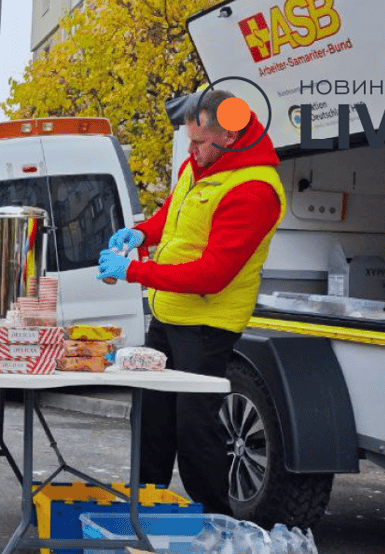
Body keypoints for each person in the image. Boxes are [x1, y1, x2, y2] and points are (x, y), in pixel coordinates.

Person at [95, 89, 285, 516]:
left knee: (195, 429)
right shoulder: (199, 166)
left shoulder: (254, 190)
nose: (191, 150)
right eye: (190, 140)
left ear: (230, 136)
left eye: (199, 142)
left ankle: (215, 523)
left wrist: (135, 271)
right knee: (152, 421)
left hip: (206, 326)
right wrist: (143, 232)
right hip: (169, 315)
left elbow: (213, 274)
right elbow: (173, 215)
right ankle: (143, 511)